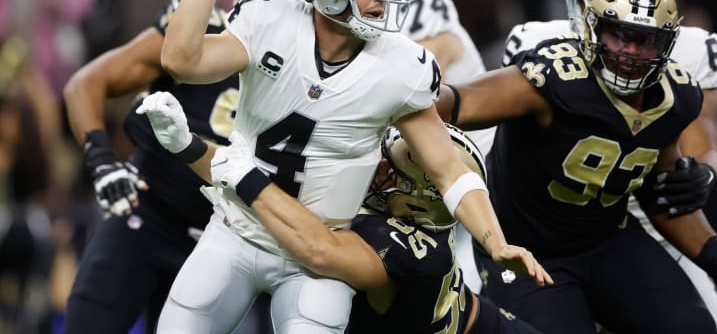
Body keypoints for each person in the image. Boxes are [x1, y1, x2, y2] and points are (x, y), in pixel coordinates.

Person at [155, 0, 550, 333]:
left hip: (320, 255)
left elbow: (449, 171)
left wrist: (495, 241)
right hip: (235, 228)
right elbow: (180, 60)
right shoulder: (269, 17)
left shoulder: (402, 66)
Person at [437, 0, 717, 333]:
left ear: (668, 43)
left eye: (645, 39)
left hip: (606, 240)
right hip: (525, 250)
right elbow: (455, 102)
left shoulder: (676, 97)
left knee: (693, 327)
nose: (630, 52)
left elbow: (661, 195)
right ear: (593, 28)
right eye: (618, 34)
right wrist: (405, 104)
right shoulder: (554, 77)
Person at [137, 90, 541, 333]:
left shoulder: (412, 248)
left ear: (422, 196)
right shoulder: (382, 212)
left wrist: (246, 178)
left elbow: (319, 247)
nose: (378, 165)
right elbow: (262, 192)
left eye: (391, 167)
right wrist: (187, 145)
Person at [61, 0, 301, 333]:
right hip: (147, 215)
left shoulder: (321, 76)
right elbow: (86, 83)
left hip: (228, 242)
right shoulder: (199, 33)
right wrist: (102, 161)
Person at [501, 0, 717, 333]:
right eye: (598, 2)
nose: (618, 23)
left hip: (650, 228)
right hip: (552, 230)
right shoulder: (540, 48)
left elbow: (702, 144)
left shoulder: (688, 51)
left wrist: (705, 172)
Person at [354, 0, 492, 293]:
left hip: (458, 170)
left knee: (455, 288)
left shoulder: (426, 5)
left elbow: (421, 80)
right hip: (402, 177)